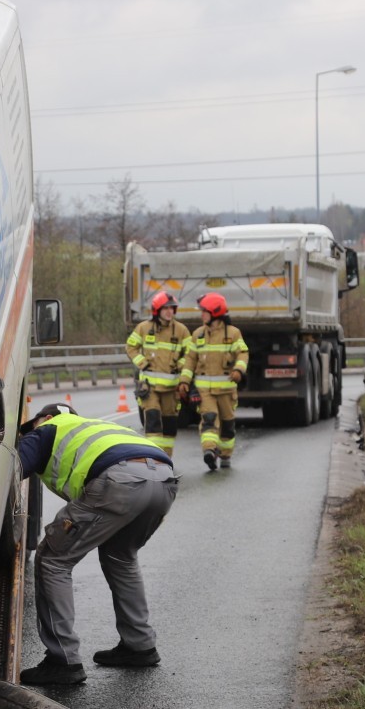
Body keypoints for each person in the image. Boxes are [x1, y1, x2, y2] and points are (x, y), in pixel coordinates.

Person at [15, 403, 179, 686]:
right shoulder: (99, 427)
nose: (30, 430)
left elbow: (7, 471)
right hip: (164, 479)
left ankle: (62, 660)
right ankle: (139, 645)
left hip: (119, 482)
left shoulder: (47, 430)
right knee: (121, 556)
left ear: (46, 418)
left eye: (33, 423)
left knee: (53, 559)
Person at [178, 291, 249, 471]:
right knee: (209, 420)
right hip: (205, 392)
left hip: (226, 391)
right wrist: (184, 381)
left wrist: (239, 370)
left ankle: (225, 456)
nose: (201, 314)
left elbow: (243, 353)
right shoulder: (198, 334)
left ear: (215, 313)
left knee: (227, 425)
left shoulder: (233, 333)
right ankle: (209, 451)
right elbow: (190, 360)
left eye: (204, 311)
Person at [124, 290, 192, 455]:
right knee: (153, 420)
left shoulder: (182, 330)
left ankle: (166, 458)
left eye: (172, 308)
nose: (170, 312)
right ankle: (154, 458)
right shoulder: (144, 328)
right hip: (150, 388)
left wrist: (181, 366)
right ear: (157, 310)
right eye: (166, 308)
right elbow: (130, 346)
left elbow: (191, 354)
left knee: (169, 425)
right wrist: (142, 362)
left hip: (171, 388)